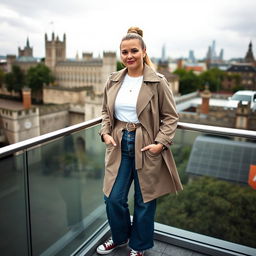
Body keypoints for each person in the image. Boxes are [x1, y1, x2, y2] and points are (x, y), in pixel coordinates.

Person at [97, 27, 183, 256]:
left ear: (144, 51)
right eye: (124, 52)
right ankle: (120, 237)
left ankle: (139, 246)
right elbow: (106, 112)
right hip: (118, 143)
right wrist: (105, 132)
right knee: (113, 198)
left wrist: (161, 143)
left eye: (134, 50)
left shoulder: (158, 81)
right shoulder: (113, 80)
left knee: (145, 200)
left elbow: (171, 116)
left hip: (146, 143)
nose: (129, 56)